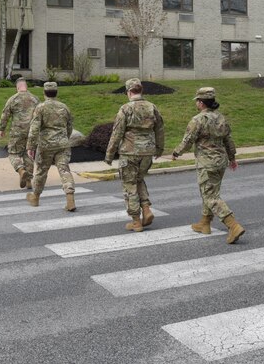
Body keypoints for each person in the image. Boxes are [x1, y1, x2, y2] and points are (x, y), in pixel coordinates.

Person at [172, 87, 245, 244]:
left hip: (207, 163)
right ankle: (205, 223)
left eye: (197, 101)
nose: (196, 104)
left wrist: (176, 152)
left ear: (201, 102)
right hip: (221, 162)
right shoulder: (221, 118)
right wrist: (232, 158)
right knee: (211, 193)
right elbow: (228, 140)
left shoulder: (197, 120)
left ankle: (233, 225)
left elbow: (188, 140)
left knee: (210, 195)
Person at [104, 78, 165, 232]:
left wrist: (109, 154)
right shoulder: (152, 107)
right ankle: (146, 209)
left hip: (129, 152)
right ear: (141, 90)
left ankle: (136, 221)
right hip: (147, 152)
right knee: (139, 179)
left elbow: (117, 133)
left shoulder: (125, 108)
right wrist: (159, 149)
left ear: (129, 92)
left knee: (129, 185)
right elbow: (160, 129)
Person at [26, 81, 77, 212]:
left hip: (46, 145)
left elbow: (34, 128)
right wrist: (64, 138)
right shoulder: (64, 107)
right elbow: (69, 127)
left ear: (44, 93)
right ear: (56, 93)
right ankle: (70, 197)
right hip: (63, 144)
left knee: (41, 171)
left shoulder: (40, 108)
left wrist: (30, 146)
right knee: (64, 170)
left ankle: (35, 197)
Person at [0, 78, 39, 189]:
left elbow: (5, 115)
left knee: (13, 153)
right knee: (29, 154)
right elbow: (40, 116)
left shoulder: (13, 99)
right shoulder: (35, 99)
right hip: (32, 132)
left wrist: (2, 129)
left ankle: (21, 170)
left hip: (17, 132)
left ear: (17, 87)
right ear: (26, 87)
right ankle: (29, 181)